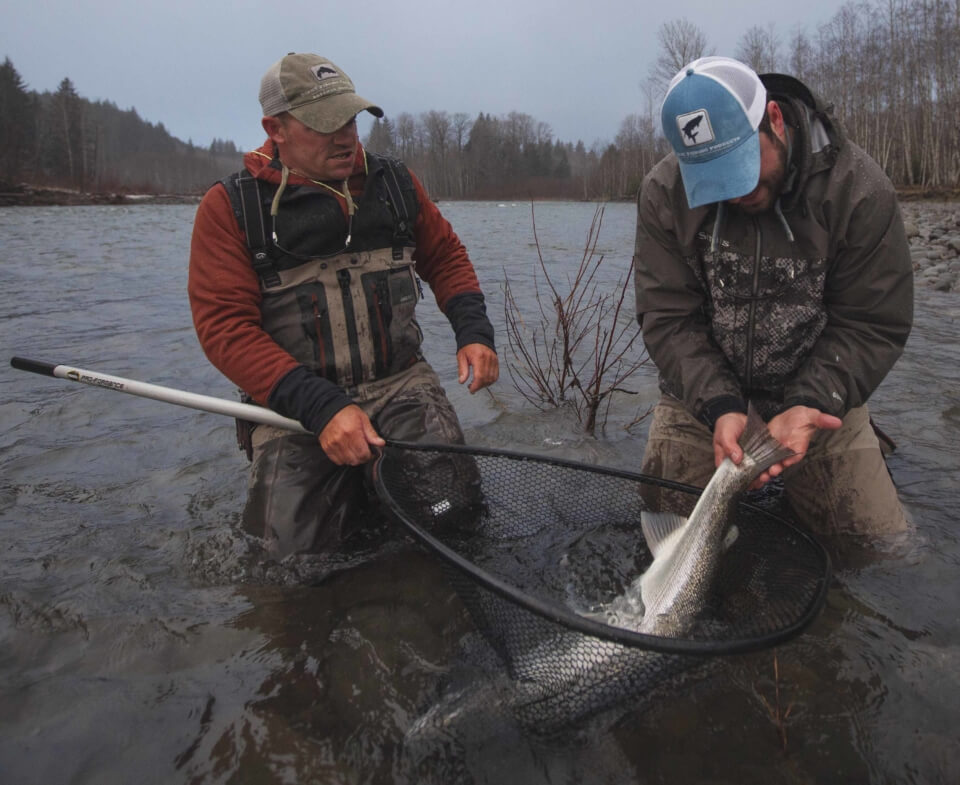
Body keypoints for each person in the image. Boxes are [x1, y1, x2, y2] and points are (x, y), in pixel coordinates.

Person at [188, 53, 499, 558]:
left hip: (400, 383)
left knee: (457, 523)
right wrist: (322, 407)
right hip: (294, 407)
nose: (345, 136)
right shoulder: (228, 209)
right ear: (276, 128)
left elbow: (445, 256)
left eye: (350, 119)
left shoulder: (395, 184)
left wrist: (474, 332)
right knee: (290, 567)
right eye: (323, 124)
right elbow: (224, 330)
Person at [633, 56, 913, 537]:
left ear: (775, 121)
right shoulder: (664, 192)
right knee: (662, 539)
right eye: (713, 178)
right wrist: (719, 405)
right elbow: (669, 318)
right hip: (700, 405)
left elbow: (871, 323)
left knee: (878, 550)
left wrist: (811, 401)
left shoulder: (857, 190)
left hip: (817, 403)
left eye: (740, 166)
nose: (733, 193)